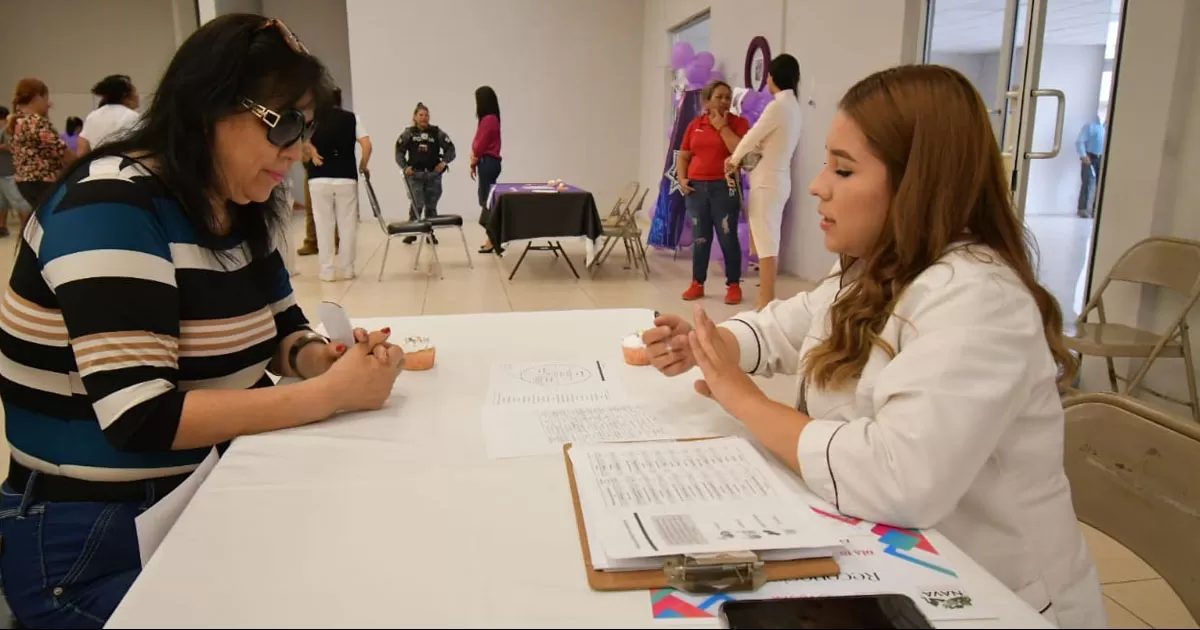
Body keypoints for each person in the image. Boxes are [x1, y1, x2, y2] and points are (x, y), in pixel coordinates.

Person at [642, 65, 1105, 629]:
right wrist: (711, 344)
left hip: (993, 595)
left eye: (843, 168)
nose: (817, 185)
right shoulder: (877, 266)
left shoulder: (979, 298)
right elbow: (790, 325)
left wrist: (745, 401)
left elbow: (897, 477)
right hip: (893, 563)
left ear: (918, 183)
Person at [0, 15, 405, 629]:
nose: (296, 152)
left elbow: (281, 329)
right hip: (92, 536)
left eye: (306, 128)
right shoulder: (110, 204)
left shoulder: (234, 201)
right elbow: (139, 416)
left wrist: (321, 358)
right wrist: (327, 396)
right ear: (210, 106)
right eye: (285, 125)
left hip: (199, 491)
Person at [728, 54, 803, 310]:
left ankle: (766, 299)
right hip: (777, 180)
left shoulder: (778, 106)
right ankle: (767, 297)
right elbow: (765, 142)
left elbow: (752, 135)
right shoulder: (793, 107)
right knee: (768, 240)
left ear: (773, 77)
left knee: (766, 242)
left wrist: (733, 159)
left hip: (767, 183)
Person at [678, 79, 749, 305]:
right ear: (707, 101)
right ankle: (697, 283)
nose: (724, 101)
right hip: (696, 189)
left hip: (724, 187)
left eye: (727, 97)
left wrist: (722, 127)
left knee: (727, 237)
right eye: (719, 97)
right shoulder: (695, 125)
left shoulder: (739, 123)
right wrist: (682, 178)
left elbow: (739, 152)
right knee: (701, 238)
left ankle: (734, 285)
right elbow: (684, 154)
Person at [303, 86, 371, 281]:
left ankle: (327, 270)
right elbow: (367, 144)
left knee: (323, 224)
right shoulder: (351, 118)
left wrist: (312, 152)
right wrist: (363, 165)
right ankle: (348, 269)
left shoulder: (312, 118)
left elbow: (300, 139)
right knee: (347, 224)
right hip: (346, 176)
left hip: (319, 177)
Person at [9, 77, 72, 234]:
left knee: (39, 219)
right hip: (43, 180)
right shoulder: (35, 121)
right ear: (37, 97)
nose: (48, 103)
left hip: (24, 181)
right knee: (52, 223)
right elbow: (59, 149)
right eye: (45, 99)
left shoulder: (16, 120)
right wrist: (81, 163)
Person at [395, 101, 456, 244]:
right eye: (421, 115)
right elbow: (399, 152)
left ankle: (430, 233)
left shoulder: (436, 133)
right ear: (415, 117)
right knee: (417, 204)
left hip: (433, 176)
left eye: (426, 115)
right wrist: (405, 168)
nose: (424, 118)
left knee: (431, 206)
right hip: (415, 175)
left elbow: (451, 149)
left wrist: (444, 163)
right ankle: (412, 232)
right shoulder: (408, 133)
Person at [77, 74, 141, 158]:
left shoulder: (92, 116)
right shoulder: (132, 117)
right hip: (122, 167)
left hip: (95, 167)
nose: (137, 95)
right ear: (125, 95)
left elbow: (82, 150)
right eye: (135, 91)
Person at [471, 85, 502, 254]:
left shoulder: (488, 119)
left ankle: (494, 236)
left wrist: (473, 158)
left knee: (486, 200)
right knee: (486, 199)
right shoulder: (493, 118)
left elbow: (479, 144)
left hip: (488, 162)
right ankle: (491, 237)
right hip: (490, 162)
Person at [0, 106, 30, 237]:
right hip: (3, 171)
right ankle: (1, 226)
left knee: (19, 202)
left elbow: (14, 147)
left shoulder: (8, 130)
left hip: (9, 172)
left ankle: (26, 230)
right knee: (2, 203)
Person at [1075, 116, 1105, 218]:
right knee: (1087, 182)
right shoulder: (1090, 126)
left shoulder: (1106, 127)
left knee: (1101, 184)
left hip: (1102, 157)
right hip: (1089, 157)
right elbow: (1080, 141)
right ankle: (1082, 209)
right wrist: (1083, 155)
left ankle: (1095, 210)